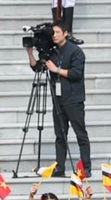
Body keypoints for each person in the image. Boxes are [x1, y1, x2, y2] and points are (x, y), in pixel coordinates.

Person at [36, 21, 90, 181]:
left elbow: (76, 73)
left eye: (57, 32)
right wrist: (31, 53)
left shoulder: (76, 51)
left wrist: (57, 70)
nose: (54, 35)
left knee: (80, 134)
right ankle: (60, 166)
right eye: (53, 33)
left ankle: (86, 167)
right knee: (60, 135)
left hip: (73, 99)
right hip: (57, 99)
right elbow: (37, 68)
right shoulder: (52, 52)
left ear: (65, 33)